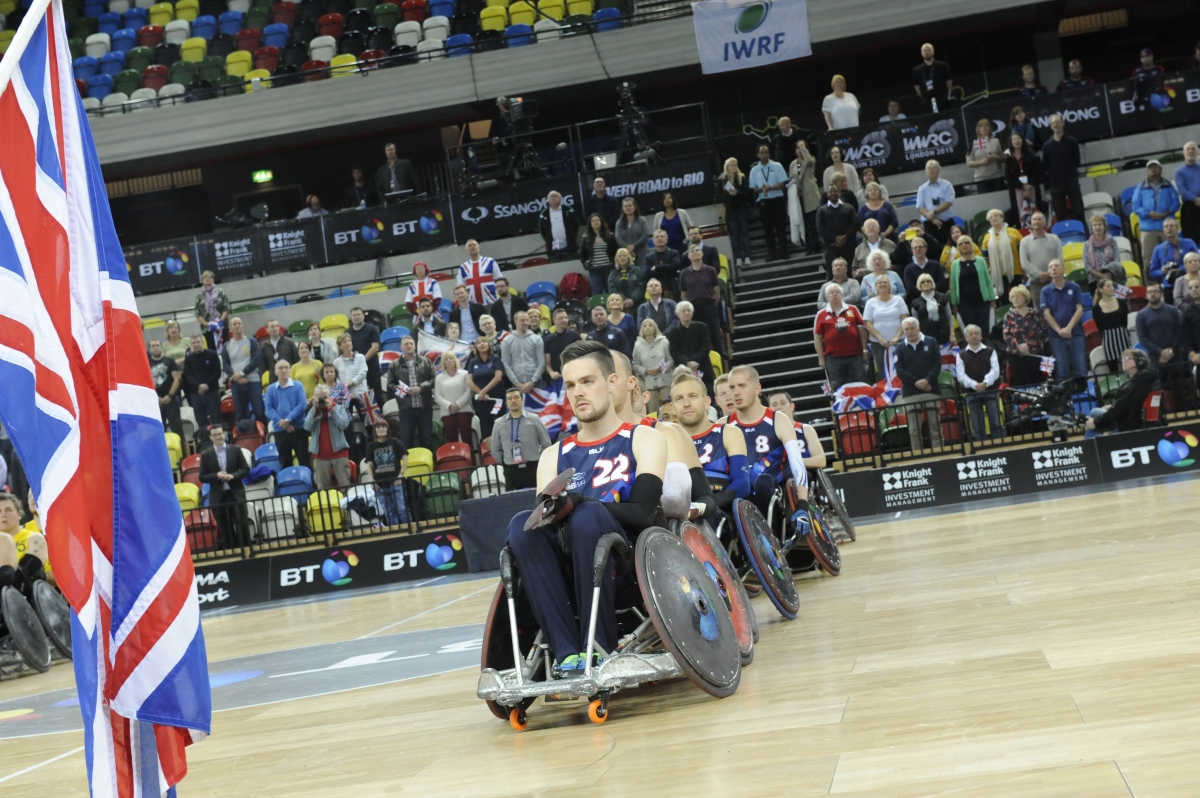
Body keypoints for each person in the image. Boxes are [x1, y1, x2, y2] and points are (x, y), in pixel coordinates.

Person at [503, 339, 667, 674]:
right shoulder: (553, 455)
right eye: (571, 385)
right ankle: (566, 653)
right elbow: (542, 521)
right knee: (521, 525)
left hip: (627, 565)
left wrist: (581, 502)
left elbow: (644, 513)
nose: (578, 392)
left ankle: (600, 649)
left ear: (612, 383)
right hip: (566, 569)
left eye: (588, 381)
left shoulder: (644, 438)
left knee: (588, 516)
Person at [726, 365, 812, 516]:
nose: (736, 393)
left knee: (763, 481)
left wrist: (803, 503)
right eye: (732, 387)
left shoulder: (778, 420)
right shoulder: (723, 425)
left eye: (742, 386)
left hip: (775, 492)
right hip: (741, 493)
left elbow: (797, 464)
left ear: (757, 388)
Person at [671, 371, 751, 507]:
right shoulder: (669, 441)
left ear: (707, 402)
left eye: (693, 396)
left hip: (722, 509)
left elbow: (742, 484)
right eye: (679, 398)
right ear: (673, 408)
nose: (686, 403)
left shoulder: (728, 432)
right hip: (683, 512)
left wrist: (707, 506)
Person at [1137, 280, 1190, 410]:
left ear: (1161, 293)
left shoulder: (1172, 310)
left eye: (1155, 291)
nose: (1153, 294)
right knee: (1156, 390)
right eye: (1150, 292)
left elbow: (1180, 331)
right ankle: (1160, 419)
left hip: (1175, 356)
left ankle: (1186, 415)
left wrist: (1171, 351)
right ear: (1146, 295)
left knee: (1181, 388)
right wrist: (1161, 352)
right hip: (1156, 358)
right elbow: (1143, 338)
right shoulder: (1141, 315)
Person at [894, 317, 944, 453]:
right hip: (911, 393)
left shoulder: (931, 341)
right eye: (906, 329)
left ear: (918, 328)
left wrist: (927, 381)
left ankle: (940, 455)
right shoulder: (899, 347)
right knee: (914, 430)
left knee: (935, 426)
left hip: (931, 390)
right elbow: (900, 371)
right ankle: (918, 457)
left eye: (911, 328)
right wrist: (918, 383)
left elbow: (937, 365)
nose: (909, 332)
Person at [1085, 349, 1159, 437]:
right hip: (1141, 420)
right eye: (1122, 359)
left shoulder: (1134, 384)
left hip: (1131, 425)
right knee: (1097, 413)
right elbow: (1130, 403)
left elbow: (1117, 412)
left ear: (1140, 362)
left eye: (1127, 358)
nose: (1124, 362)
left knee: (1094, 414)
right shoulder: (1150, 379)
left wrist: (1095, 423)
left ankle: (1091, 448)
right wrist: (1114, 405)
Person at [491, 388, 552, 491]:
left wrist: (540, 461)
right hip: (511, 470)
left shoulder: (534, 419)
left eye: (516, 397)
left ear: (522, 400)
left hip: (533, 467)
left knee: (539, 499)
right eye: (509, 399)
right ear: (506, 403)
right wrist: (506, 462)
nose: (513, 401)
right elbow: (494, 450)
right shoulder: (499, 423)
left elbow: (546, 443)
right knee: (513, 502)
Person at [198, 425, 249, 548]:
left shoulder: (236, 450)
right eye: (215, 435)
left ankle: (247, 552)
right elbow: (202, 477)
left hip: (236, 494)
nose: (218, 437)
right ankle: (232, 555)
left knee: (242, 526)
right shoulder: (206, 454)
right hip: (218, 497)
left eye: (220, 434)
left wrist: (233, 476)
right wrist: (217, 475)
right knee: (225, 530)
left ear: (224, 434)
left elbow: (246, 469)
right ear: (210, 437)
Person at [814, 284, 869, 389]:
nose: (834, 295)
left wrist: (865, 350)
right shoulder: (821, 314)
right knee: (837, 387)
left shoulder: (853, 309)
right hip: (833, 358)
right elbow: (817, 337)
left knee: (861, 383)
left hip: (855, 355)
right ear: (827, 297)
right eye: (831, 293)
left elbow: (862, 330)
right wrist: (821, 358)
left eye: (837, 292)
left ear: (842, 295)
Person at [1041, 260, 1087, 380]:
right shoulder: (1045, 291)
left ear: (1063, 269)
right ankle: (1065, 398)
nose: (1054, 268)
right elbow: (1046, 314)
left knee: (1081, 368)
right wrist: (1059, 330)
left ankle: (1084, 395)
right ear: (1049, 272)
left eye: (1056, 266)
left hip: (1076, 333)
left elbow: (1080, 309)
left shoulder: (1074, 287)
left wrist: (1068, 328)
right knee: (1062, 371)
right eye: (1051, 267)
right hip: (1056, 336)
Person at [387, 336, 435, 450]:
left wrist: (421, 388)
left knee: (427, 440)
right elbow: (389, 385)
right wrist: (406, 391)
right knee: (407, 441)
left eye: (411, 344)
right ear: (401, 347)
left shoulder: (426, 361)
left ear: (415, 345)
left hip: (425, 407)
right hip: (405, 409)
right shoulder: (394, 365)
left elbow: (434, 380)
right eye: (406, 344)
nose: (409, 346)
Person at [678, 245, 725, 359]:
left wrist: (713, 304)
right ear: (688, 256)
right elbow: (683, 293)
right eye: (692, 251)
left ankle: (722, 354)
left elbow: (716, 290)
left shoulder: (710, 270)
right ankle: (698, 356)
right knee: (695, 333)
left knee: (714, 331)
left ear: (702, 253)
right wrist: (687, 307)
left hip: (709, 305)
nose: (695, 252)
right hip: (693, 308)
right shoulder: (684, 273)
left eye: (697, 250)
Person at [956, 324, 1001, 441]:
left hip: (991, 391)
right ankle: (982, 450)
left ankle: (1001, 447)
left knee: (996, 423)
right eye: (971, 334)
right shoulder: (961, 355)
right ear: (966, 338)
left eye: (977, 333)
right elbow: (961, 376)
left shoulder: (991, 351)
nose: (974, 336)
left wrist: (985, 383)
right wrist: (975, 385)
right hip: (972, 393)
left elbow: (995, 371)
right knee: (977, 426)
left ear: (981, 336)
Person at [305, 383, 352, 490]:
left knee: (345, 485)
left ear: (330, 397)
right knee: (323, 488)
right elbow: (307, 427)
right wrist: (314, 409)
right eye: (320, 397)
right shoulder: (313, 411)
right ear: (315, 398)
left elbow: (344, 424)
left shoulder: (338, 408)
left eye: (325, 397)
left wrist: (331, 409)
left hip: (339, 452)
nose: (323, 400)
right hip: (320, 455)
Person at [265, 359, 310, 469]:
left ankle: (310, 486)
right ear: (275, 372)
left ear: (290, 370)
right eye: (280, 368)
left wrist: (288, 420)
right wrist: (283, 423)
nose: (284, 370)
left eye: (286, 368)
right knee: (285, 463)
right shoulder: (271, 389)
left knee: (304, 462)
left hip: (298, 429)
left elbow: (302, 405)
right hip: (280, 431)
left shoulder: (298, 386)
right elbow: (269, 409)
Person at [949, 233, 998, 335]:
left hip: (982, 300)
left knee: (984, 328)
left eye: (967, 242)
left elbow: (988, 281)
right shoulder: (955, 264)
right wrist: (954, 304)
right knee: (970, 330)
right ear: (958, 247)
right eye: (961, 244)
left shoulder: (981, 261)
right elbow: (953, 286)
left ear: (972, 244)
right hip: (964, 302)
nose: (964, 245)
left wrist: (992, 299)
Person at [749, 144, 790, 262]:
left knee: (781, 228)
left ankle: (784, 252)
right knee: (768, 229)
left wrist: (770, 187)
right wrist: (762, 189)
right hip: (764, 202)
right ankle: (772, 254)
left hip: (778, 200)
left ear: (769, 154)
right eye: (762, 152)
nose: (764, 154)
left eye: (766, 152)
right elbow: (753, 188)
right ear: (757, 155)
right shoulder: (754, 170)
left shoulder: (777, 166)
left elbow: (783, 184)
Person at [365, 419, 409, 525]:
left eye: (384, 427)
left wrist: (401, 474)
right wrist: (372, 480)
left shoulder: (395, 442)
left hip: (396, 482)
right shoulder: (371, 446)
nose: (382, 429)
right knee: (389, 513)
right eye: (378, 427)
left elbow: (405, 457)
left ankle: (410, 531)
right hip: (380, 485)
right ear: (375, 430)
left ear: (388, 429)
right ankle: (396, 535)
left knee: (402, 510)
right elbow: (369, 465)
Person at [863, 275, 908, 380]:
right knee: (881, 369)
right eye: (880, 283)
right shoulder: (870, 302)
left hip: (899, 341)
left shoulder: (898, 300)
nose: (882, 284)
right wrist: (880, 339)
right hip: (878, 343)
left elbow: (905, 320)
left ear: (889, 286)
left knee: (902, 366)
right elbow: (867, 324)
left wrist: (897, 337)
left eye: (885, 282)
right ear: (876, 286)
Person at [1002, 284, 1049, 385]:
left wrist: (1028, 345)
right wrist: (1019, 346)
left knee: (1038, 380)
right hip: (1016, 354)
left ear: (1025, 298)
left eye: (1018, 296)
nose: (1015, 299)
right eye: (1013, 297)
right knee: (1021, 382)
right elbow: (1006, 335)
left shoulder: (1035, 314)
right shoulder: (1009, 315)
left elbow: (1041, 332)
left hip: (1035, 352)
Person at [221, 317, 265, 422]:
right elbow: (225, 364)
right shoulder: (227, 346)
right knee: (241, 414)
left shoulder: (251, 341)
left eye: (239, 323)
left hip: (253, 381)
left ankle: (263, 436)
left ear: (243, 326)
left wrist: (241, 373)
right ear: (231, 328)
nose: (237, 326)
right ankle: (246, 437)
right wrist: (235, 377)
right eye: (234, 324)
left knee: (259, 412)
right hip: (236, 384)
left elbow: (256, 359)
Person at [1042, 114, 1084, 223]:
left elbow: (1077, 161)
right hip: (1055, 184)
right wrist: (1047, 187)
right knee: (1060, 213)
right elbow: (1045, 167)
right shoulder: (1047, 146)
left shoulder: (1072, 142)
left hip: (1072, 181)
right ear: (1050, 126)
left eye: (1058, 122)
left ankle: (1083, 233)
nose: (1056, 124)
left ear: (1063, 123)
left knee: (1079, 210)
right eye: (1053, 122)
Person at [666, 301, 714, 396]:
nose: (687, 313)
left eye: (689, 310)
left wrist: (693, 360)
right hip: (683, 369)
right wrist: (687, 362)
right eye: (684, 311)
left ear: (692, 313)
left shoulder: (702, 327)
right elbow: (674, 351)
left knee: (709, 396)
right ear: (677, 314)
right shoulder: (672, 332)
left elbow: (706, 346)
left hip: (703, 367)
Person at [1018, 211, 1063, 308]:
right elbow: (1024, 263)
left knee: (1059, 308)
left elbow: (1060, 258)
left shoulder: (1054, 239)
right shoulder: (1024, 242)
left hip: (1055, 280)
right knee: (1041, 313)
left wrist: (1050, 273)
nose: (1036, 221)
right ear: (1031, 223)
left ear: (1045, 223)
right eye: (1034, 219)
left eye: (1039, 219)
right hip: (1036, 284)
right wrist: (1040, 274)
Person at [817, 182, 859, 280]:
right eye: (830, 191)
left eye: (835, 191)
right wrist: (834, 238)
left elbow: (855, 224)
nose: (833, 193)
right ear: (827, 194)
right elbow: (820, 228)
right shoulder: (821, 210)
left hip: (848, 245)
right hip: (831, 246)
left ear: (838, 193)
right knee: (832, 273)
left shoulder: (848, 207)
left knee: (850, 272)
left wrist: (845, 237)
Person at [467, 337, 506, 440]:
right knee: (485, 422)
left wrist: (484, 391)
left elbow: (498, 377)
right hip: (480, 399)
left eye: (484, 342)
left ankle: (503, 444)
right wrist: (481, 393)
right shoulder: (473, 362)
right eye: (479, 343)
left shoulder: (495, 358)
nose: (482, 344)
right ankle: (489, 449)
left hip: (496, 397)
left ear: (489, 345)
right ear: (476, 347)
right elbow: (469, 381)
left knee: (498, 421)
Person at [719, 157, 755, 266]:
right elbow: (718, 197)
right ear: (727, 167)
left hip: (742, 210)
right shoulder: (722, 179)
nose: (734, 167)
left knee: (744, 234)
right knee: (735, 235)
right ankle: (738, 257)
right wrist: (728, 194)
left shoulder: (741, 177)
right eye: (732, 165)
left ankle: (747, 256)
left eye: (735, 165)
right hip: (730, 212)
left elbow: (748, 194)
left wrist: (738, 192)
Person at [1005, 130, 1044, 227]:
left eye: (1018, 139)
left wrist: (1030, 185)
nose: (1016, 141)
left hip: (1032, 187)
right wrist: (1022, 186)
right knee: (1019, 211)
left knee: (1035, 209)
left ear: (1022, 141)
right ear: (1011, 142)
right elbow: (1008, 176)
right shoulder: (1008, 158)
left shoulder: (1032, 155)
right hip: (1017, 189)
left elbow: (1037, 171)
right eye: (1014, 139)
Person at [183, 334, 223, 430]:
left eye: (198, 342)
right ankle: (205, 443)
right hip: (196, 394)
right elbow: (187, 376)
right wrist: (198, 386)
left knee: (216, 420)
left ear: (202, 343)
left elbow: (217, 372)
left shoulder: (212, 354)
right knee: (201, 423)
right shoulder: (188, 359)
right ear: (191, 345)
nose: (196, 344)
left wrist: (207, 385)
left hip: (212, 392)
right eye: (194, 343)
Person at [1148, 217, 1198, 293]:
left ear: (1177, 228)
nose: (1169, 228)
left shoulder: (1189, 243)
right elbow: (1153, 272)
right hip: (1169, 286)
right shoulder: (1158, 249)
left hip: (1190, 284)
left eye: (1171, 226)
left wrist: (1181, 269)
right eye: (1166, 227)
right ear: (1163, 230)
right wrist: (1162, 272)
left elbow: (1198, 262)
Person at [632, 318, 673, 413]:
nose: (648, 327)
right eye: (645, 326)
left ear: (655, 328)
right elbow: (635, 364)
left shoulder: (664, 342)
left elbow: (671, 360)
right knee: (652, 410)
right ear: (642, 330)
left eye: (650, 325)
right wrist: (645, 370)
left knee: (670, 406)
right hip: (648, 382)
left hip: (665, 379)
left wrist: (660, 368)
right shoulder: (638, 345)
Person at [501, 310, 545, 396]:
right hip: (517, 385)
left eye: (526, 320)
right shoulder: (507, 341)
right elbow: (506, 364)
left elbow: (541, 363)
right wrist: (517, 383)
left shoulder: (537, 339)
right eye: (522, 320)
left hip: (537, 383)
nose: (525, 323)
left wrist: (532, 381)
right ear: (515, 321)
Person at [789, 138, 822, 254]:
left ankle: (817, 246)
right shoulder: (793, 164)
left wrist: (804, 149)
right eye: (798, 148)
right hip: (799, 197)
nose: (799, 150)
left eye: (802, 147)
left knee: (813, 223)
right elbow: (791, 179)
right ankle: (808, 247)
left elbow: (808, 160)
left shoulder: (810, 159)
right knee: (804, 224)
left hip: (810, 195)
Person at [981, 208, 1022, 298]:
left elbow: (1022, 252)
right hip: (997, 274)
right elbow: (986, 258)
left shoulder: (1014, 232)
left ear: (1002, 218)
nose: (993, 218)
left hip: (1015, 271)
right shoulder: (987, 237)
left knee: (1019, 297)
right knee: (1003, 300)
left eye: (996, 216)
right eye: (991, 217)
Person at [434, 351, 473, 445]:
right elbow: (437, 396)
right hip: (447, 412)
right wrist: (449, 405)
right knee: (451, 438)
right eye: (446, 359)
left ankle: (470, 458)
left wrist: (458, 404)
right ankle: (455, 458)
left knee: (467, 437)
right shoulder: (439, 378)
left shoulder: (465, 374)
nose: (449, 361)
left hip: (464, 409)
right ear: (443, 363)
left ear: (455, 360)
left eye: (451, 358)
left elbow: (469, 392)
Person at [1093, 278, 1130, 372]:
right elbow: (1099, 326)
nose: (1112, 288)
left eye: (1112, 286)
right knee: (1113, 368)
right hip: (1108, 338)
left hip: (1123, 336)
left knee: (1128, 364)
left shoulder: (1121, 302)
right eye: (1108, 286)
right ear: (1101, 289)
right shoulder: (1096, 308)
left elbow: (1125, 321)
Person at [916, 160, 956, 246]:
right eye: (928, 168)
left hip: (946, 223)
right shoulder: (922, 188)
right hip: (929, 225)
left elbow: (949, 202)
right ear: (925, 172)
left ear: (939, 170)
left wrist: (934, 212)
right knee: (932, 249)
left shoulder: (947, 185)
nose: (930, 170)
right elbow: (919, 206)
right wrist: (933, 219)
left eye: (933, 167)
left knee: (950, 248)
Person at [148, 339, 183, 436]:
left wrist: (169, 395)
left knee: (177, 428)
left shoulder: (170, 361)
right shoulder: (146, 363)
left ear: (161, 347)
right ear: (149, 349)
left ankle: (182, 451)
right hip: (155, 401)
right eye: (153, 346)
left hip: (171, 400)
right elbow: (146, 382)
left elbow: (177, 379)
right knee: (159, 429)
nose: (155, 348)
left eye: (157, 345)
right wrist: (156, 397)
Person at [580, 213, 618, 297]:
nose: (595, 222)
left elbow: (616, 250)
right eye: (593, 221)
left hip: (608, 267)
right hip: (594, 269)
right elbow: (582, 254)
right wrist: (586, 265)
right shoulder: (585, 237)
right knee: (596, 292)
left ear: (601, 222)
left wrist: (614, 263)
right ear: (590, 224)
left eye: (597, 220)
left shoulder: (610, 236)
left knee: (610, 292)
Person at [348, 306, 382, 399]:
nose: (356, 316)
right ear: (351, 318)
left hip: (372, 368)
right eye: (354, 315)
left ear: (363, 316)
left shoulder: (372, 329)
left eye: (358, 314)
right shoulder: (347, 333)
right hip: (355, 370)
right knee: (359, 395)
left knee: (376, 394)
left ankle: (381, 413)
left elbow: (375, 347)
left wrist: (361, 361)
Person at [1083, 213, 1124, 288]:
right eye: (1095, 225)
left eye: (1100, 224)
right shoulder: (1087, 244)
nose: (1097, 227)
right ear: (1091, 228)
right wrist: (1101, 276)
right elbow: (1087, 266)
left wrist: (1109, 275)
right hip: (1095, 280)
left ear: (1104, 226)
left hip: (1113, 278)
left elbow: (1117, 260)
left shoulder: (1112, 241)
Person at [538, 190, 580, 262]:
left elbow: (575, 225)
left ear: (560, 199)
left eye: (556, 196)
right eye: (552, 197)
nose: (554, 198)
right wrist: (548, 240)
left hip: (570, 247)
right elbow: (542, 230)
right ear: (548, 200)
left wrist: (571, 237)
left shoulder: (568, 209)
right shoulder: (544, 213)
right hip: (553, 250)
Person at [458, 239, 502, 306]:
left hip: (492, 301)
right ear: (467, 250)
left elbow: (499, 280)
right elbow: (460, 287)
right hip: (473, 304)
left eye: (474, 245)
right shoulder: (463, 267)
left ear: (479, 248)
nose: (472, 247)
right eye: (470, 246)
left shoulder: (490, 261)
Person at [543, 308, 582, 383]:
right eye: (561, 318)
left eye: (565, 317)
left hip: (575, 376)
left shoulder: (575, 336)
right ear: (554, 320)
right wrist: (551, 373)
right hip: (557, 379)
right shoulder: (548, 339)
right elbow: (547, 363)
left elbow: (583, 357)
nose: (564, 320)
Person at [911, 273, 951, 344]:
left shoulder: (942, 297)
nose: (926, 283)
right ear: (919, 285)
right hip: (926, 337)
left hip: (944, 334)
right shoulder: (915, 303)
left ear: (932, 283)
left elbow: (949, 316)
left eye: (928, 281)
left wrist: (952, 334)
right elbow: (916, 323)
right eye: (923, 282)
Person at [194, 270, 230, 350]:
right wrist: (207, 324)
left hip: (222, 325)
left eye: (209, 277)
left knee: (224, 348)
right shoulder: (199, 296)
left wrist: (219, 322)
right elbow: (198, 314)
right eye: (205, 277)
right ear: (202, 280)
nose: (207, 279)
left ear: (213, 279)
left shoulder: (221, 292)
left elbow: (227, 308)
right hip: (207, 328)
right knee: (211, 349)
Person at [912, 42, 952, 113]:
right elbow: (917, 87)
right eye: (924, 51)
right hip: (927, 100)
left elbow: (948, 82)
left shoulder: (942, 66)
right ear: (921, 53)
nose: (927, 52)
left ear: (933, 51)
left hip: (941, 97)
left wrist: (947, 95)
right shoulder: (917, 69)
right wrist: (923, 97)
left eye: (929, 50)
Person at [968, 119, 1006, 193]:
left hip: (997, 177)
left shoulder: (997, 141)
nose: (984, 128)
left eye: (986, 125)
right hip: (981, 179)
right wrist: (981, 162)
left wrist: (996, 158)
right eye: (981, 126)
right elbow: (969, 162)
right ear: (978, 129)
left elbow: (1005, 158)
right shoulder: (974, 143)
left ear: (990, 128)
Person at [902, 237, 945, 301]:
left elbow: (941, 283)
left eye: (920, 247)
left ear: (925, 249)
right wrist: (926, 294)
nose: (918, 249)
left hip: (937, 298)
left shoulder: (936, 265)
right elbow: (910, 287)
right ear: (912, 251)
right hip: (918, 301)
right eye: (915, 247)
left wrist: (931, 294)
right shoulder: (908, 269)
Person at [652, 191, 694, 256]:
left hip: (682, 246)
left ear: (673, 200)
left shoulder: (682, 212)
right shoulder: (658, 216)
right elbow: (655, 232)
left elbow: (691, 228)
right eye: (665, 199)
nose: (667, 200)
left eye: (669, 198)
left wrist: (688, 238)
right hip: (666, 248)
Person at [643, 229, 683, 297]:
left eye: (662, 236)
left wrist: (657, 267)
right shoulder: (649, 257)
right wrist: (668, 270)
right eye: (657, 237)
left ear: (666, 239)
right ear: (653, 241)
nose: (659, 239)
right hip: (655, 290)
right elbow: (646, 273)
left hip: (673, 287)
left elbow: (675, 266)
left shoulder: (674, 253)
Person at [614, 196, 652, 265]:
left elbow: (645, 235)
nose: (628, 208)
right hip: (627, 254)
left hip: (642, 253)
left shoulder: (642, 220)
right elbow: (618, 238)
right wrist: (628, 248)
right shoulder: (619, 223)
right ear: (623, 208)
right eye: (625, 206)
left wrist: (634, 246)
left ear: (634, 207)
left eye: (630, 205)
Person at [333, 332, 369, 405]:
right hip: (345, 396)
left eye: (349, 341)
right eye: (344, 342)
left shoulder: (361, 357)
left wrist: (349, 384)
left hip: (361, 393)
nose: (348, 343)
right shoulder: (336, 362)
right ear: (340, 346)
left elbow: (362, 374)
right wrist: (344, 388)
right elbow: (336, 379)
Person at [260, 319, 299, 383]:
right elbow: (265, 367)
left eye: (277, 326)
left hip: (290, 378)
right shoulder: (265, 347)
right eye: (272, 326)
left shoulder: (289, 342)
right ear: (267, 329)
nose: (275, 328)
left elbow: (296, 360)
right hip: (274, 380)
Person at [608, 246, 645, 311]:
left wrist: (633, 299)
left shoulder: (637, 271)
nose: (622, 258)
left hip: (638, 304)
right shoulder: (613, 274)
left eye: (624, 255)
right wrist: (623, 299)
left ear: (628, 258)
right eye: (620, 256)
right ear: (617, 259)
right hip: (621, 305)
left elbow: (642, 286)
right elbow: (612, 289)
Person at [1177, 141, 1200, 243]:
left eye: (1193, 149)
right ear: (1184, 153)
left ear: (1197, 152)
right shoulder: (1179, 171)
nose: (1190, 151)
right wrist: (1195, 199)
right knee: (1191, 239)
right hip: (1189, 208)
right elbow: (1182, 189)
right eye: (1188, 149)